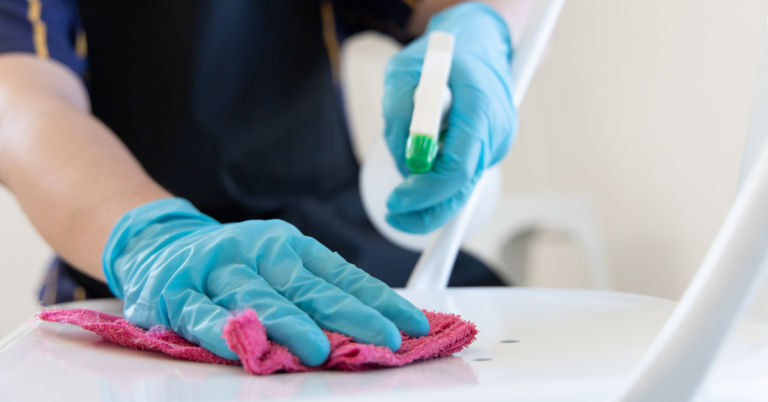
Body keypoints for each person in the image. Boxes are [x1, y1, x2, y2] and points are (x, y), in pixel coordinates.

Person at [0, 0, 525, 366]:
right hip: (144, 276)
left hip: (346, 249)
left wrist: (479, 27)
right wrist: (150, 238)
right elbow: (20, 102)